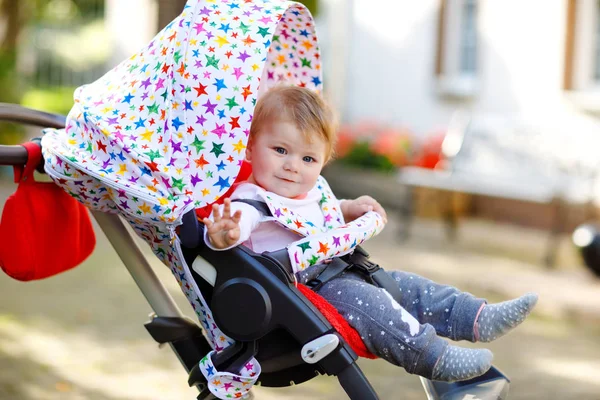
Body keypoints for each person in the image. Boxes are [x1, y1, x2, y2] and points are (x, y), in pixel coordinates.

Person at [202, 85, 538, 382]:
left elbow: (323, 209)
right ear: (248, 149)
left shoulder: (310, 190)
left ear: (322, 162)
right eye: (280, 150)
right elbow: (238, 226)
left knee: (406, 286)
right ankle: (434, 358)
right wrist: (226, 233)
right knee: (376, 307)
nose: (293, 165)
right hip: (305, 290)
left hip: (342, 269)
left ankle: (476, 317)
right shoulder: (251, 201)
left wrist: (349, 209)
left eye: (308, 158)